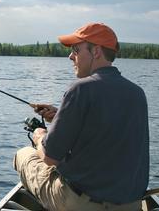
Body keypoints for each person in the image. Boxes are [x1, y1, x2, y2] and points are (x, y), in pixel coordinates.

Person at [13, 23, 149, 211]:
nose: (70, 56)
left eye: (76, 50)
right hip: (131, 205)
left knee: (23, 155)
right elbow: (104, 130)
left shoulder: (80, 89)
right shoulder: (137, 93)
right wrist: (61, 116)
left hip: (81, 204)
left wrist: (39, 137)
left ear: (96, 52)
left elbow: (50, 158)